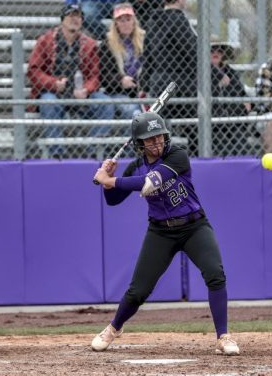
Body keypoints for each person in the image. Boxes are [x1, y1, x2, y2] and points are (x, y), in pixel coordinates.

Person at [91, 111, 240, 356]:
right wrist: (108, 180)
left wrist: (111, 179)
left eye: (159, 137)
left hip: (194, 226)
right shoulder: (136, 165)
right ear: (140, 143)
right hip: (160, 231)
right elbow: (113, 200)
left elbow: (151, 182)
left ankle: (223, 336)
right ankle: (113, 328)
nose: (156, 143)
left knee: (215, 274)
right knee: (138, 290)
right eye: (149, 139)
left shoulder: (177, 154)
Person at [27, 4, 115, 158]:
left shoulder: (89, 43)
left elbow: (95, 75)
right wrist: (53, 83)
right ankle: (57, 154)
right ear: (62, 20)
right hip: (54, 93)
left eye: (79, 16)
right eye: (71, 16)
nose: (75, 19)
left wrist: (86, 89)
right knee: (48, 102)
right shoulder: (45, 40)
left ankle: (92, 151)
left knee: (106, 104)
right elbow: (34, 70)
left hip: (81, 94)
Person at [139, 0, 197, 152]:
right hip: (179, 84)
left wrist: (144, 83)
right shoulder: (178, 20)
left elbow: (147, 56)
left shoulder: (153, 20)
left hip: (158, 83)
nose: (185, 0)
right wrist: (217, 75)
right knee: (197, 124)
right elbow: (194, 53)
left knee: (161, 129)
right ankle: (197, 157)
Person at [99, 3, 143, 127]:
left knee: (161, 112)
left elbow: (152, 66)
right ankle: (131, 146)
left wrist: (142, 82)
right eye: (121, 20)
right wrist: (120, 81)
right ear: (116, 24)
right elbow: (104, 75)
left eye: (128, 19)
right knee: (133, 112)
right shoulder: (107, 44)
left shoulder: (145, 40)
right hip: (118, 92)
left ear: (134, 21)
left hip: (141, 90)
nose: (125, 23)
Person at [210, 40, 252, 157]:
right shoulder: (199, 72)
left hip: (233, 121)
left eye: (219, 50)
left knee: (240, 141)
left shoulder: (230, 72)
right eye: (212, 50)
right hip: (212, 124)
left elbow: (242, 96)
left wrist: (245, 102)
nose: (216, 53)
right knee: (220, 142)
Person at [65, 0, 129, 40]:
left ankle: (121, 39)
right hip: (92, 0)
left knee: (132, 14)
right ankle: (111, 39)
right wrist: (71, 4)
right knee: (85, 16)